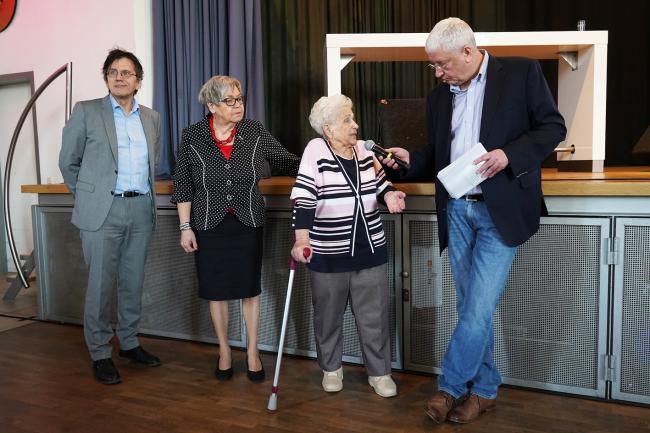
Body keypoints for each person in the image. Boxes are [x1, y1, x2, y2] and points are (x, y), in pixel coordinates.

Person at [382, 18, 566, 423]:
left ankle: (449, 389)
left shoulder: (520, 73)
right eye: (432, 65)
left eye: (442, 64)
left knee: (478, 307)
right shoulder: (438, 96)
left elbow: (552, 127)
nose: (437, 73)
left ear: (468, 51)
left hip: (500, 209)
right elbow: (438, 153)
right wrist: (412, 160)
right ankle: (483, 391)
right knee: (472, 308)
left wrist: (508, 156)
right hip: (457, 210)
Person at [172, 75, 300, 382]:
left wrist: (325, 158)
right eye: (229, 101)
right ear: (212, 105)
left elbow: (286, 160)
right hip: (208, 224)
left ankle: (252, 352)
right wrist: (185, 227)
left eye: (239, 99)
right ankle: (225, 351)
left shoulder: (254, 131)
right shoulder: (192, 136)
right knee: (217, 292)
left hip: (248, 222)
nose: (237, 105)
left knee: (249, 290)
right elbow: (183, 185)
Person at [290, 94, 407, 398]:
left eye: (353, 117)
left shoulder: (364, 151)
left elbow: (381, 184)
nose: (355, 125)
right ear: (328, 129)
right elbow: (304, 197)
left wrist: (390, 195)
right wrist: (301, 239)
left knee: (375, 316)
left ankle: (379, 373)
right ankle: (331, 368)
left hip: (370, 248)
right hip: (328, 250)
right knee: (327, 315)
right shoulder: (316, 150)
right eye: (347, 120)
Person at [59, 48, 162, 385]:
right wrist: (89, 198)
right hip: (103, 210)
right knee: (101, 286)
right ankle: (101, 351)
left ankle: (129, 343)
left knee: (133, 282)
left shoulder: (151, 117)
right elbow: (68, 162)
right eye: (113, 71)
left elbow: (152, 164)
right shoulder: (87, 112)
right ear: (106, 78)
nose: (120, 77)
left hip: (140, 208)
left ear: (138, 81)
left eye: (127, 72)